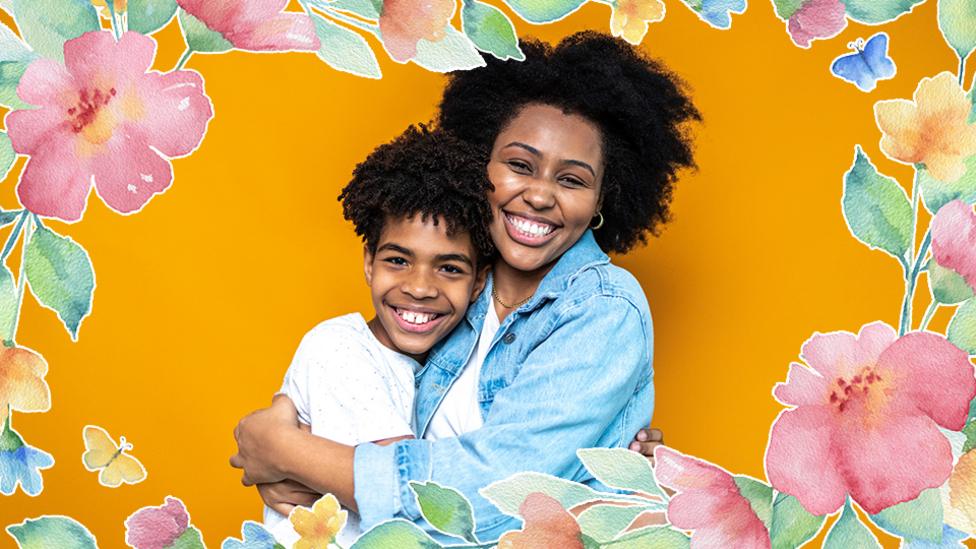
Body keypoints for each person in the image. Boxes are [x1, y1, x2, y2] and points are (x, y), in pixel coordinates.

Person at [231, 31, 699, 542]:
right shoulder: (455, 291)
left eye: (572, 180)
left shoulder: (604, 308)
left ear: (602, 199)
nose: (540, 195)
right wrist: (289, 472)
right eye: (519, 166)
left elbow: (497, 490)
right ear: (482, 164)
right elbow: (365, 408)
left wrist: (287, 454)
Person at [261, 125, 494, 545]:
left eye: (450, 268)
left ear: (479, 282)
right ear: (369, 261)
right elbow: (412, 494)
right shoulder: (336, 349)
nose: (420, 287)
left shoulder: (465, 363)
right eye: (398, 260)